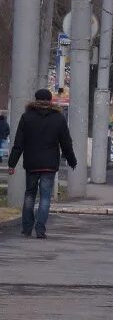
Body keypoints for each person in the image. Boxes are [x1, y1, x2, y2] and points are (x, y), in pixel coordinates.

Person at [8, 88, 77, 238]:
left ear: (35, 99)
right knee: (45, 196)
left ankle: (26, 228)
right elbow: (66, 143)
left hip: (31, 163)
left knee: (29, 194)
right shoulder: (58, 118)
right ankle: (40, 229)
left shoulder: (26, 117)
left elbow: (18, 144)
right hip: (49, 164)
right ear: (50, 101)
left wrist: (12, 164)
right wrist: (72, 161)